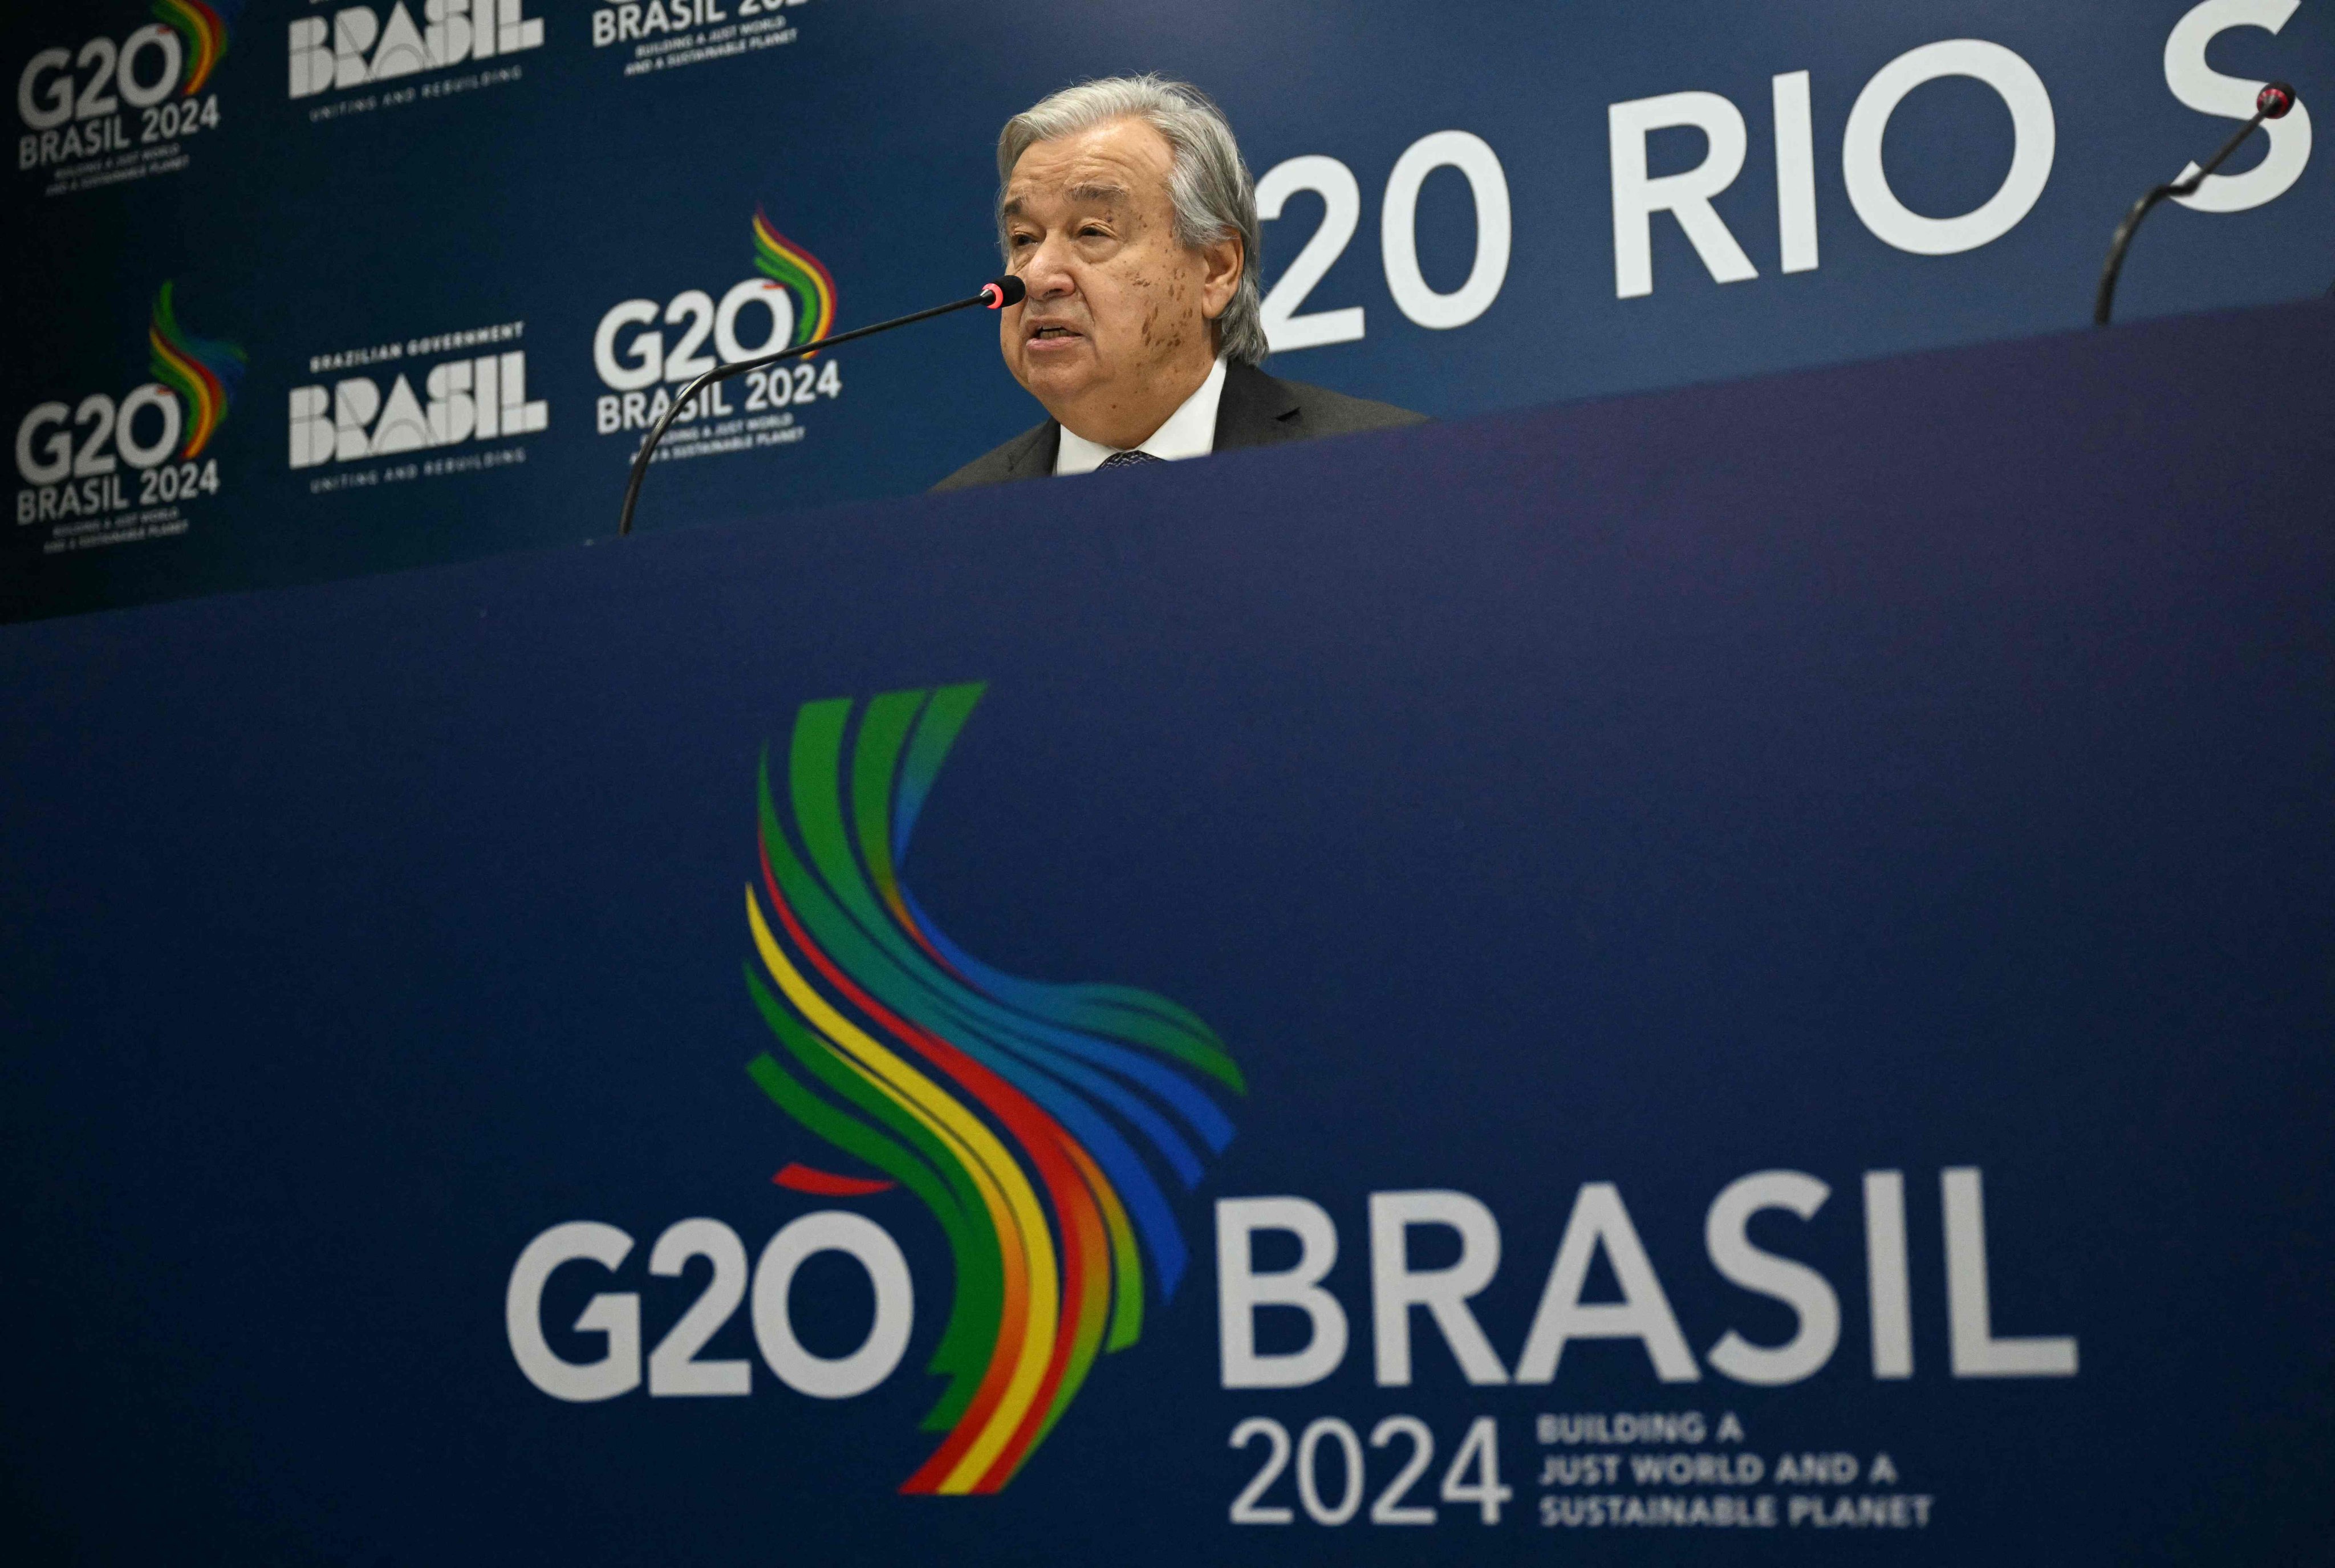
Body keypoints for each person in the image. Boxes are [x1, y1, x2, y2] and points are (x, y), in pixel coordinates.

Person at [934, 75, 1423, 490]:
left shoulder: (1385, 468)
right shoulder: (951, 517)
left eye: (1091, 232)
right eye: (1023, 239)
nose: (1037, 276)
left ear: (1216, 270)